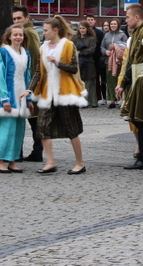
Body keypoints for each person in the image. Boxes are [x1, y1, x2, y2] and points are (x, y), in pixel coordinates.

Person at [30, 15, 87, 174]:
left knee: (71, 129)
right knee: (42, 127)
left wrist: (57, 63)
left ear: (55, 30)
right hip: (48, 93)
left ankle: (80, 163)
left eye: (46, 31)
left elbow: (74, 68)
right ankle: (50, 162)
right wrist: (29, 90)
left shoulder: (68, 45)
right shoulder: (43, 47)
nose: (44, 34)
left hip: (65, 92)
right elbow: (38, 72)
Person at [0, 24, 35, 173]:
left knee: (18, 130)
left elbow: (27, 76)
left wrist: (29, 98)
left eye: (21, 34)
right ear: (9, 36)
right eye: (15, 34)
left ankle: (12, 160)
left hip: (21, 96)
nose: (18, 37)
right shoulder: (3, 53)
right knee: (5, 129)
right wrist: (4, 98)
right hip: (7, 95)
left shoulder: (26, 54)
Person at [116, 4, 143, 170]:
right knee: (136, 118)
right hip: (136, 78)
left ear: (136, 17)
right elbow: (130, 62)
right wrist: (124, 83)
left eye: (127, 17)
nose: (126, 21)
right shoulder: (136, 33)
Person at [12, 5, 44, 163]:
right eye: (14, 19)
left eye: (19, 18)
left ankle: (36, 151)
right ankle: (33, 151)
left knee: (33, 119)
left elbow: (31, 61)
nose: (17, 21)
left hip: (29, 83)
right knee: (30, 118)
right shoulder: (25, 33)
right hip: (27, 83)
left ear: (27, 18)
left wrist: (29, 85)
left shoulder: (29, 34)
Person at [101, 19, 127, 109]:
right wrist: (105, 52)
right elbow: (102, 47)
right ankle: (112, 100)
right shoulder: (106, 35)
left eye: (114, 24)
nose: (113, 25)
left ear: (118, 25)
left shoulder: (122, 34)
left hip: (119, 61)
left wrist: (117, 49)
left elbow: (126, 46)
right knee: (110, 81)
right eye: (111, 24)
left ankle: (120, 100)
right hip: (108, 61)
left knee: (119, 80)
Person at [73, 22, 98, 108]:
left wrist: (81, 52)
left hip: (89, 63)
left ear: (87, 29)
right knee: (80, 82)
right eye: (80, 28)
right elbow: (72, 49)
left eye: (83, 28)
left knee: (89, 83)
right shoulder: (75, 38)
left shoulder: (91, 39)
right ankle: (81, 101)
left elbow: (92, 50)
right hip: (78, 63)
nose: (82, 30)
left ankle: (91, 101)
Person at [85, 14, 105, 106]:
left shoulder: (99, 33)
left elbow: (100, 47)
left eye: (91, 20)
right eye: (88, 20)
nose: (90, 21)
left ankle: (95, 98)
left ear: (94, 21)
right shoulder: (83, 32)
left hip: (95, 59)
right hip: (84, 59)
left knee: (95, 79)